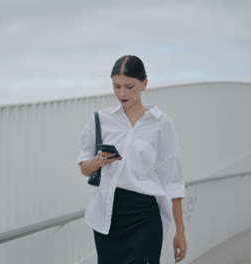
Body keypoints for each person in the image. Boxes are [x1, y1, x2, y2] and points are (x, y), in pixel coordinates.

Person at [77, 55, 187, 263]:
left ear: (144, 84)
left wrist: (180, 232)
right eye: (116, 86)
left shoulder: (162, 124)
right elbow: (84, 168)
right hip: (108, 215)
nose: (122, 93)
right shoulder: (100, 120)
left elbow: (173, 182)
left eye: (129, 86)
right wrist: (98, 161)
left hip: (144, 214)